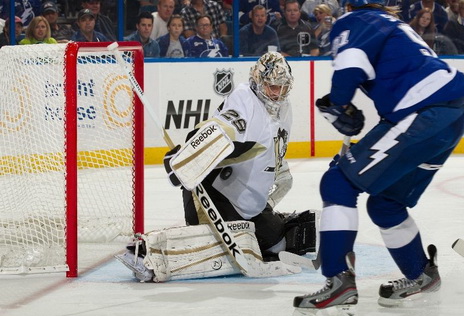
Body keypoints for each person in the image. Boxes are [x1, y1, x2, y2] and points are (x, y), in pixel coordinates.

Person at [292, 0, 464, 316]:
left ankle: (337, 284)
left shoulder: (354, 20)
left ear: (350, 3)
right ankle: (420, 273)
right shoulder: (395, 24)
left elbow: (349, 69)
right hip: (450, 117)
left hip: (423, 113)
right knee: (386, 202)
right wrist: (342, 107)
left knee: (338, 183)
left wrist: (339, 106)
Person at [116, 52, 316, 282]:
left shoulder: (283, 107)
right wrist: (189, 157)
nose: (277, 93)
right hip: (214, 193)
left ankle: (248, 230)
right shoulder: (244, 98)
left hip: (249, 203)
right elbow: (221, 129)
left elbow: (273, 146)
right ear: (258, 80)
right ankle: (144, 253)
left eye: (282, 87)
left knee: (279, 244)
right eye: (272, 86)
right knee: (220, 249)